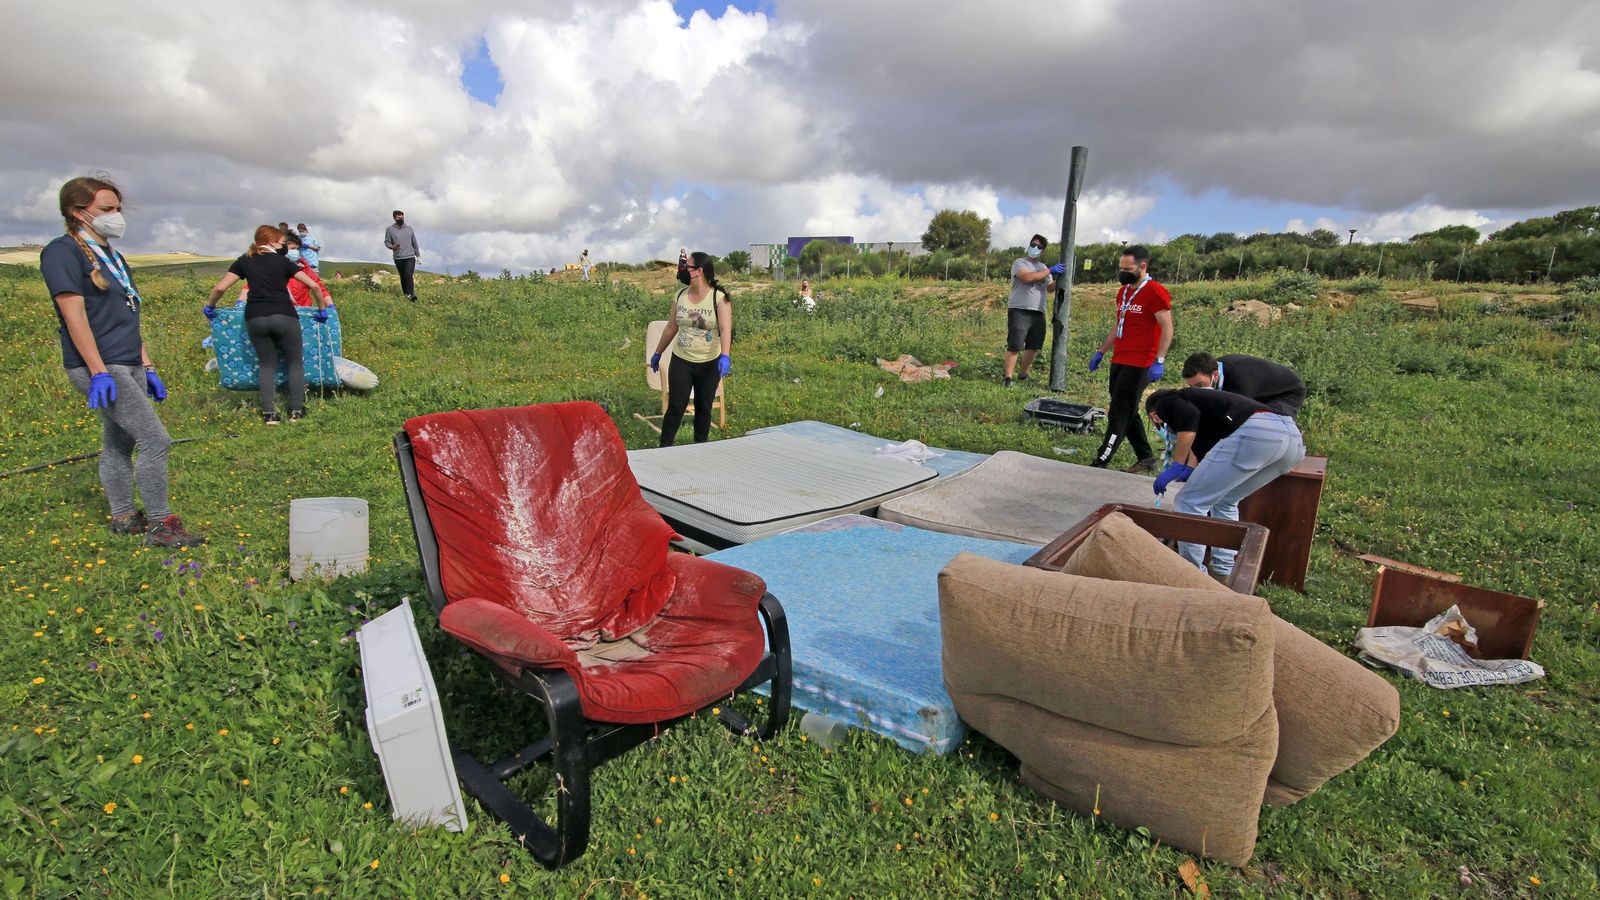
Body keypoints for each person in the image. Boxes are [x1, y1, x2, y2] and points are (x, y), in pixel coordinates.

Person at [39, 175, 205, 548]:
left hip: (128, 361)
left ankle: (124, 516)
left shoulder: (113, 257)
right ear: (77, 212)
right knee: (155, 440)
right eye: (106, 209)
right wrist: (98, 371)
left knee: (119, 442)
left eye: (117, 208)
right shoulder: (62, 253)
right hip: (101, 365)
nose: (116, 215)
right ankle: (161, 525)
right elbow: (74, 317)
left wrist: (147, 366)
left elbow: (127, 313)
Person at [1145, 387, 1305, 576]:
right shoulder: (1208, 409)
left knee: (1189, 502)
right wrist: (1191, 469)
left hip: (1258, 432)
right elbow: (1208, 452)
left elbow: (1188, 416)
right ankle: (1223, 572)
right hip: (1291, 440)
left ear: (1154, 415)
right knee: (1226, 500)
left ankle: (1191, 575)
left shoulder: (1168, 401)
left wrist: (1178, 464)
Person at [204, 225, 332, 424]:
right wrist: (322, 310)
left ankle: (269, 414)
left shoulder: (244, 260)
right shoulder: (283, 262)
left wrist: (210, 306)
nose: (284, 247)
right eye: (282, 243)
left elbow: (220, 288)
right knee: (294, 362)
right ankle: (296, 411)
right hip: (284, 315)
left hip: (255, 318)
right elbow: (314, 285)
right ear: (271, 242)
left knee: (266, 364)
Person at [1088, 245, 1173, 471]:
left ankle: (1102, 459)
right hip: (1120, 359)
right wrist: (1101, 351)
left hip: (1140, 362)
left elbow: (1167, 327)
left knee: (1119, 412)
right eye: (1121, 268)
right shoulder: (1123, 292)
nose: (1122, 273)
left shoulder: (1155, 292)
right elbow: (1119, 323)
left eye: (1127, 269)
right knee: (1128, 409)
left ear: (1142, 267)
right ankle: (1146, 457)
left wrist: (1159, 360)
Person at [648, 251, 732, 447]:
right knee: (676, 407)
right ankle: (664, 449)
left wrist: (725, 356)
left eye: (688, 267)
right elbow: (671, 327)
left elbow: (725, 329)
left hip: (709, 363)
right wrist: (658, 352)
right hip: (682, 361)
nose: (684, 270)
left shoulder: (719, 298)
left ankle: (699, 449)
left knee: (703, 409)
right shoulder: (680, 295)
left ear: (699, 271)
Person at [1005, 233, 1068, 386]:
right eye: (1033, 245)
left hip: (1038, 311)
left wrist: (1062, 277)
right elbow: (1027, 278)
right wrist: (1050, 270)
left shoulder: (1043, 267)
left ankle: (1023, 375)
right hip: (1019, 309)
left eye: (1039, 247)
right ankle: (1008, 378)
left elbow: (1049, 288)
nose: (1035, 248)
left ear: (1042, 250)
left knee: (1034, 345)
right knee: (1015, 344)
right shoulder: (1020, 263)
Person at [1182, 352, 1306, 418]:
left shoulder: (1239, 382)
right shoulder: (1213, 368)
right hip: (1258, 390)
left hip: (1287, 392)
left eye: (1201, 385)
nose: (1196, 391)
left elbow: (1234, 417)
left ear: (1215, 374)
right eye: (1191, 387)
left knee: (1262, 425)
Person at [283, 232, 332, 308]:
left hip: (304, 310)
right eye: (292, 249)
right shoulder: (274, 268)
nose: (295, 252)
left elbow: (320, 288)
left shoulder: (304, 268)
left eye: (297, 249)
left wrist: (331, 306)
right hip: (282, 311)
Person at [384, 210, 420, 301]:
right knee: (403, 276)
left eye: (402, 217)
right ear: (394, 218)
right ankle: (406, 294)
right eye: (398, 217)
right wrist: (393, 247)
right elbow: (387, 242)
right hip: (398, 257)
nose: (401, 218)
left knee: (408, 275)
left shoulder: (409, 228)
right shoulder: (389, 229)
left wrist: (418, 254)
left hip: (410, 256)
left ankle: (411, 295)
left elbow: (414, 241)